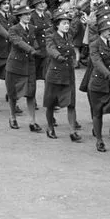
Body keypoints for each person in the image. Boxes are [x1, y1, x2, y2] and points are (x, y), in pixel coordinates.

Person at [88, 16, 110, 152]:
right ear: (100, 31)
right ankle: (99, 140)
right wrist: (108, 74)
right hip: (98, 83)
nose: (109, 32)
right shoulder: (94, 44)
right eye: (106, 29)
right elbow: (97, 62)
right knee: (97, 113)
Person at [43, 9, 79, 140]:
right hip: (55, 74)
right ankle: (50, 128)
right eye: (64, 23)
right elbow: (50, 49)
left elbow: (72, 51)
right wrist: (58, 56)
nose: (67, 25)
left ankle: (72, 131)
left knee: (71, 103)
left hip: (68, 74)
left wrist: (74, 60)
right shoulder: (51, 37)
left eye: (68, 23)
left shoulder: (68, 36)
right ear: (57, 25)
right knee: (51, 103)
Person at [5, 4, 40, 130]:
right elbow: (17, 42)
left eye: (29, 14)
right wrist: (31, 49)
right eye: (25, 15)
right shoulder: (13, 29)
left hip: (29, 65)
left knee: (31, 93)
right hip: (16, 64)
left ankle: (32, 121)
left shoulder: (32, 28)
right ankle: (12, 117)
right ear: (19, 16)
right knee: (13, 93)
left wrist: (39, 49)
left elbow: (35, 41)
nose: (28, 16)